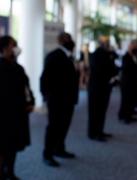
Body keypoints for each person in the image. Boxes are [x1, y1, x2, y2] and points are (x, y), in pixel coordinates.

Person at [40, 32, 79, 167]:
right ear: (61, 41)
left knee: (64, 125)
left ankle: (59, 149)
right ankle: (47, 154)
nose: (71, 41)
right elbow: (44, 79)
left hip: (68, 99)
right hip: (56, 100)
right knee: (53, 127)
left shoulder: (69, 56)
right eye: (68, 39)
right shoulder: (54, 56)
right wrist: (47, 97)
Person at [0, 35, 34, 180]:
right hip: (3, 115)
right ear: (4, 48)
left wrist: (31, 101)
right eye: (13, 45)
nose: (16, 48)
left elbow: (26, 88)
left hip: (17, 113)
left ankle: (10, 172)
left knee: (13, 146)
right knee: (2, 146)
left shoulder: (18, 68)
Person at [87, 36, 118, 142]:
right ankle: (93, 133)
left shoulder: (107, 53)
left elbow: (113, 63)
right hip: (97, 87)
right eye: (106, 42)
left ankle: (99, 130)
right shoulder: (97, 54)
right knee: (96, 111)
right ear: (102, 43)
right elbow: (102, 70)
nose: (108, 44)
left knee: (102, 111)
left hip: (104, 86)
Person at [118, 40, 137, 124]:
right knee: (126, 99)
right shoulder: (126, 57)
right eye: (135, 46)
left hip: (133, 81)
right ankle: (125, 117)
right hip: (127, 82)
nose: (136, 48)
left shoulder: (134, 56)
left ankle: (128, 115)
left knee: (131, 99)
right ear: (130, 46)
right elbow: (126, 69)